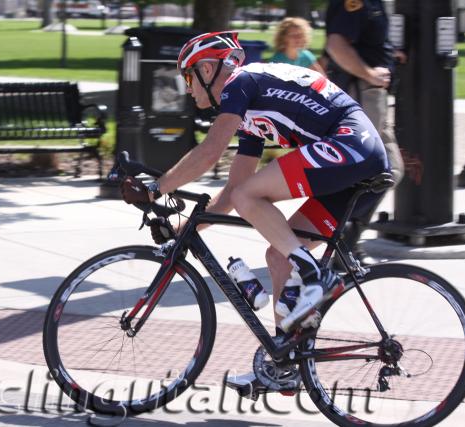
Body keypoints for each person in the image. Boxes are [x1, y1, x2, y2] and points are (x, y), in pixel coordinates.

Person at [120, 31, 390, 394]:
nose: (187, 88)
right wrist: (185, 229)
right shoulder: (249, 111)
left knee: (256, 202)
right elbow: (233, 191)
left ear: (210, 68)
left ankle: (314, 275)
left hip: (349, 144)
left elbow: (211, 151)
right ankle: (286, 365)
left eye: (188, 76)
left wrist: (156, 188)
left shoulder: (238, 83)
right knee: (278, 256)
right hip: (351, 157)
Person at [324, 0, 405, 261]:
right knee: (380, 170)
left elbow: (359, 42)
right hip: (363, 95)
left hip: (371, 97)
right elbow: (336, 45)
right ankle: (341, 243)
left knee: (383, 171)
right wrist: (369, 73)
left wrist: (389, 54)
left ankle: (342, 242)